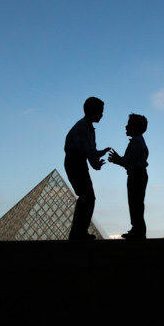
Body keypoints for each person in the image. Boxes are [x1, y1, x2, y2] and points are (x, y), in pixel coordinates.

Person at [64, 97, 110, 240]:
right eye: (100, 111)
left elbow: (89, 150)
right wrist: (96, 157)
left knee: (87, 197)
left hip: (78, 161)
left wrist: (96, 162)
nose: (102, 115)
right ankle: (78, 232)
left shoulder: (88, 128)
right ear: (91, 110)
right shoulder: (82, 126)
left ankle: (78, 231)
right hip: (75, 161)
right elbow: (85, 149)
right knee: (87, 197)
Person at [107, 113, 149, 239]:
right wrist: (119, 159)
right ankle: (137, 229)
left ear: (136, 127)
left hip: (136, 174)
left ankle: (138, 230)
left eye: (129, 124)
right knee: (136, 203)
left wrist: (117, 159)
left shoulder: (136, 142)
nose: (126, 127)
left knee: (135, 203)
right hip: (138, 174)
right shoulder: (138, 141)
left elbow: (129, 161)